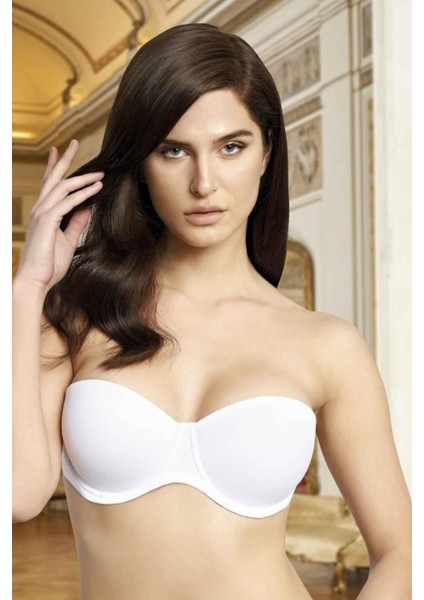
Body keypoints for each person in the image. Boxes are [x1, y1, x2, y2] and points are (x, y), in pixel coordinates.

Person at [12, 22, 411, 599]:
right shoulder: (78, 317)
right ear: (141, 162)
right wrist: (28, 288)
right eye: (173, 150)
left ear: (267, 152)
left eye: (231, 147)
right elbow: (20, 494)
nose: (204, 183)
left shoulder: (327, 345)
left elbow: (399, 551)